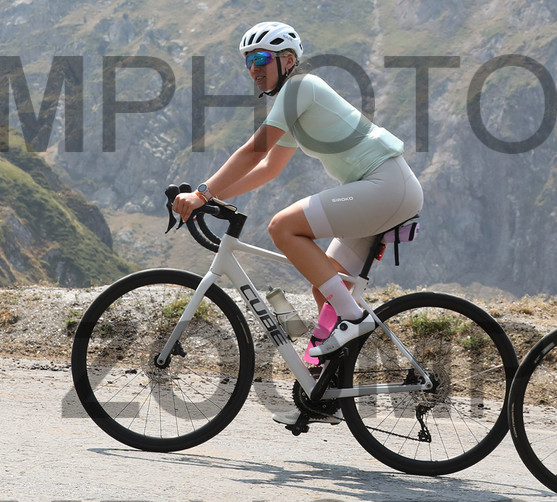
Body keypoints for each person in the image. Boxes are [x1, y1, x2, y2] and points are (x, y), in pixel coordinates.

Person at [171, 21, 423, 424]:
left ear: (287, 61)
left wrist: (200, 194)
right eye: (248, 62)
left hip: (386, 186)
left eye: (260, 59)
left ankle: (355, 319)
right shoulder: (293, 101)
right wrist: (211, 198)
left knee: (283, 227)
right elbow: (269, 168)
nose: (254, 69)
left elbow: (253, 151)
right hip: (383, 190)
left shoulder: (301, 87)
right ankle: (326, 397)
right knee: (327, 287)